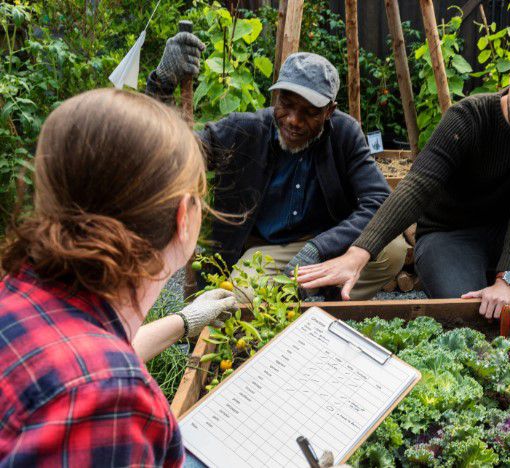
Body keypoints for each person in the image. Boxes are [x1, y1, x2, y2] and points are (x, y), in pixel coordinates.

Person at [0, 89, 235, 465]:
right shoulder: (110, 403)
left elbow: (74, 357)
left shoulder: (19, 294)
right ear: (183, 217)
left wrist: (186, 320)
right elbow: (93, 377)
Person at [296, 29, 510, 320]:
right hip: (448, 237)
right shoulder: (469, 117)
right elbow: (418, 185)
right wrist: (359, 253)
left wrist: (507, 279)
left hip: (504, 231)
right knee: (471, 317)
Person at [147, 34, 407, 301]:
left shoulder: (343, 134)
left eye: (309, 112)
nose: (293, 120)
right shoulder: (244, 131)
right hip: (264, 252)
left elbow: (378, 200)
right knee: (239, 298)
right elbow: (172, 154)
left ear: (329, 111)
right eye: (286, 105)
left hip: (326, 244)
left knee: (392, 250)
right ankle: (302, 298)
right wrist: (162, 84)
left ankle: (303, 294)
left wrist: (319, 248)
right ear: (277, 96)